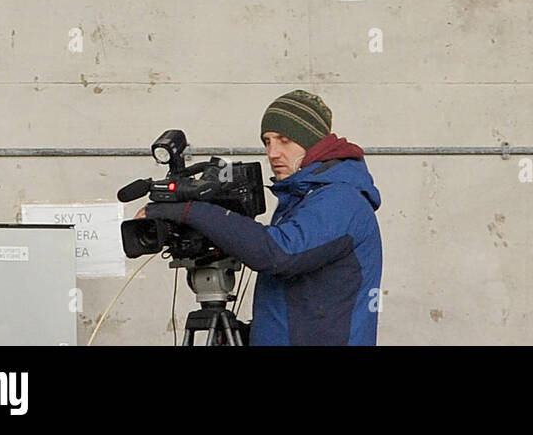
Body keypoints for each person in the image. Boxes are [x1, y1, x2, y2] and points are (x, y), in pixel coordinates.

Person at [140, 90, 383, 346]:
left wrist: (191, 211)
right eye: (267, 142)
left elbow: (278, 254)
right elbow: (303, 300)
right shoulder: (304, 196)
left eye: (284, 140)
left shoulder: (341, 199)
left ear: (313, 143)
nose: (273, 153)